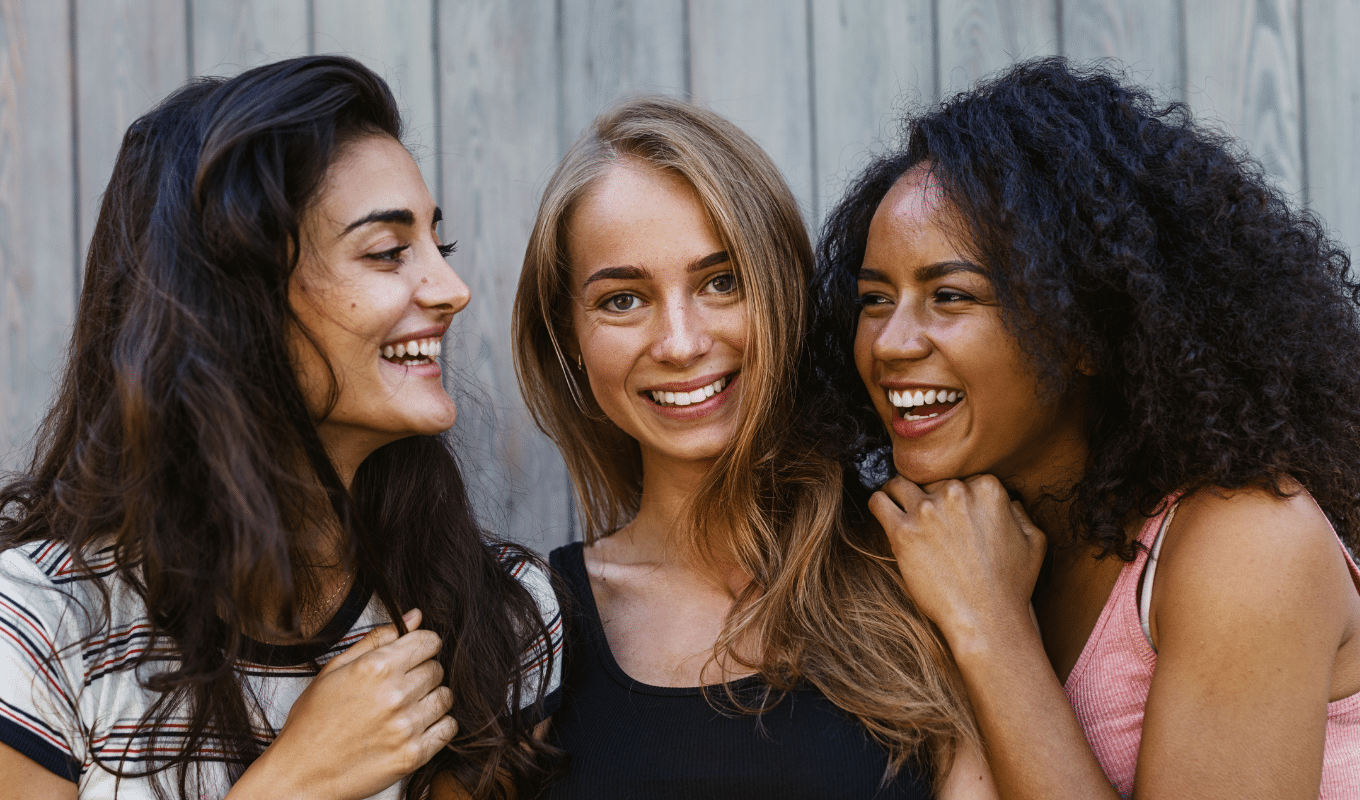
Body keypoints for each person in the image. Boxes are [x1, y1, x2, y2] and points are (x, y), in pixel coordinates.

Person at [0, 55, 559, 800]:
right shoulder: (39, 630)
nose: (452, 291)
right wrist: (295, 783)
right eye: (389, 252)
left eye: (438, 246)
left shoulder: (502, 616)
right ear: (237, 301)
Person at [814, 56, 1360, 799]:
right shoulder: (964, 537)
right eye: (875, 300)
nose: (890, 343)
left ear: (1082, 331)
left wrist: (991, 628)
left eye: (949, 295)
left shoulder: (1247, 540)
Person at [513, 95, 995, 798]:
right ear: (571, 339)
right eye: (623, 299)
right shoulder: (526, 633)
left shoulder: (925, 568)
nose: (680, 343)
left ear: (784, 294)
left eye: (721, 282)